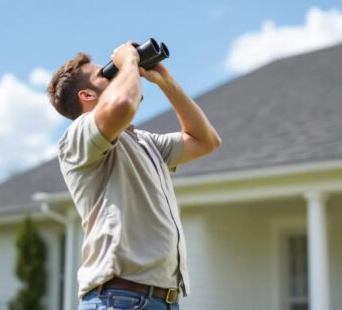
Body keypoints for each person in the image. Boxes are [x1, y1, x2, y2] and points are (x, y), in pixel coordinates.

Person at [47, 41, 221, 310]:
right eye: (106, 73)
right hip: (118, 299)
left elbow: (205, 141)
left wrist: (166, 82)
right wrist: (128, 60)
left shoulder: (143, 141)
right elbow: (123, 104)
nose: (117, 72)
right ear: (87, 95)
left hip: (162, 301)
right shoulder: (78, 137)